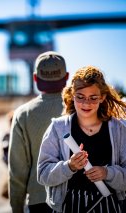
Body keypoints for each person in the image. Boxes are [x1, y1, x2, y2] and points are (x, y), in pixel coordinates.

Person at [37, 65, 126, 212]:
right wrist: (69, 166)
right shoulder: (57, 128)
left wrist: (107, 173)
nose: (86, 103)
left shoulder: (119, 129)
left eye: (93, 98)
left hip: (109, 205)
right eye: (80, 97)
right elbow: (43, 175)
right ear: (72, 95)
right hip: (69, 205)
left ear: (102, 97)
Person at [9, 51, 69, 213]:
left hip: (39, 202)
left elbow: (17, 171)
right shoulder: (83, 109)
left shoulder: (23, 114)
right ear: (67, 77)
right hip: (78, 200)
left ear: (35, 78)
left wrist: (16, 208)